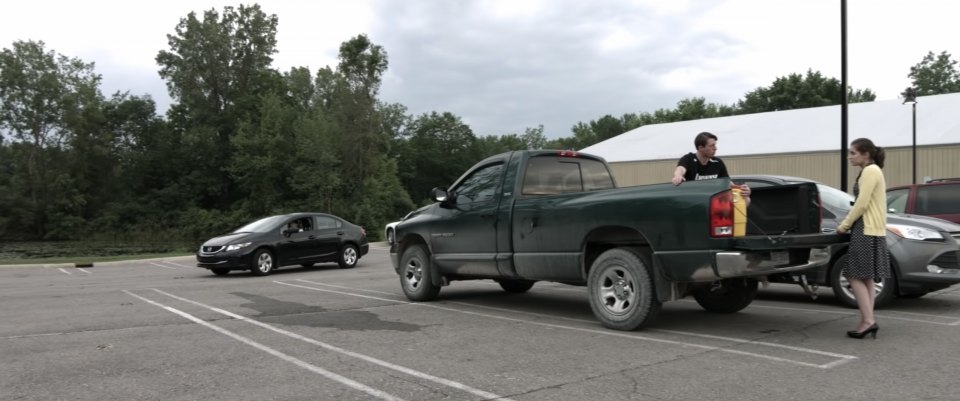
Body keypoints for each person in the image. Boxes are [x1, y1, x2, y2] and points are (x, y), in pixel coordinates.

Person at [836, 137, 889, 339]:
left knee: (853, 275)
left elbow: (861, 203)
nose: (849, 156)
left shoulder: (870, 171)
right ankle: (867, 319)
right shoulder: (873, 170)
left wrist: (844, 225)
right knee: (866, 277)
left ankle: (868, 321)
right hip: (873, 229)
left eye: (853, 153)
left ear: (865, 154)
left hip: (865, 229)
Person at [671, 132, 750, 202]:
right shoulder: (689, 159)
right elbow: (681, 168)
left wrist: (743, 190)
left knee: (746, 199)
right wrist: (678, 176)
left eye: (715, 145)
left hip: (714, 200)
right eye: (711, 146)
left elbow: (728, 183)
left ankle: (733, 218)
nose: (715, 148)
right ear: (701, 148)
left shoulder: (718, 162)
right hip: (694, 200)